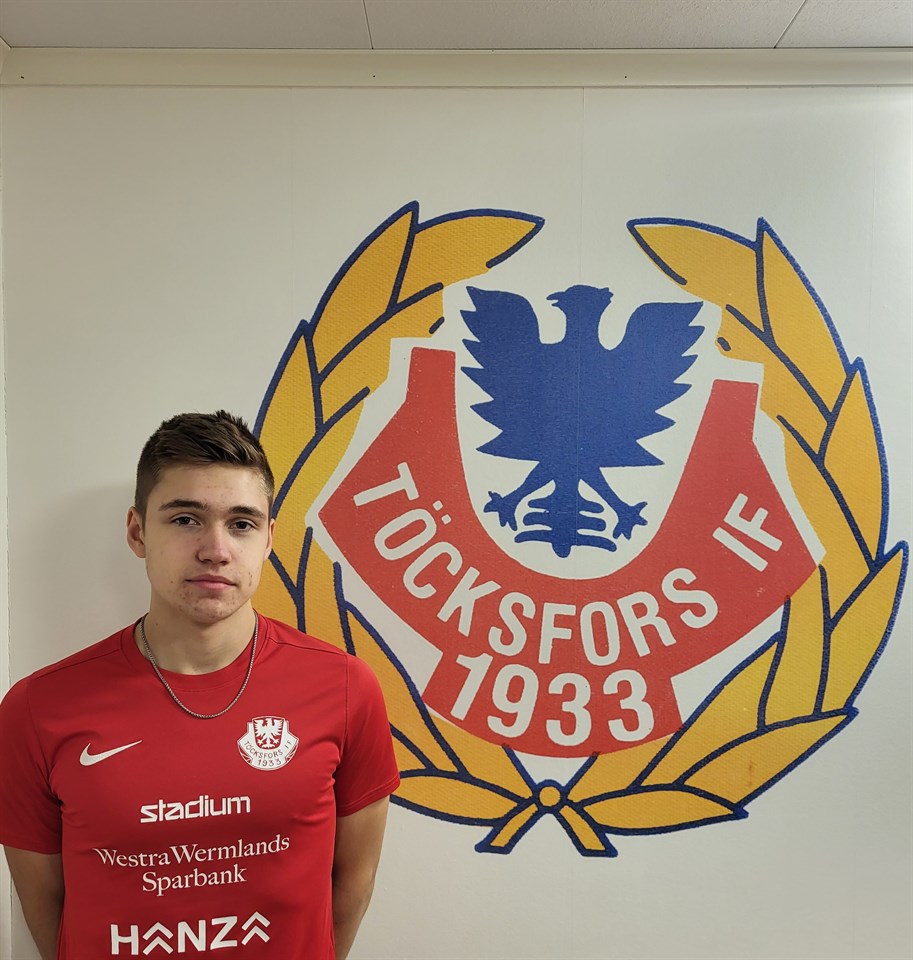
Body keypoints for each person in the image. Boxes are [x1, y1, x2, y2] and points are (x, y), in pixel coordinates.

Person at [0, 411, 400, 959]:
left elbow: (354, 882)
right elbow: (45, 907)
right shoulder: (36, 709)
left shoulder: (347, 688)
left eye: (242, 524)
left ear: (268, 539)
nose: (215, 549)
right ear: (137, 532)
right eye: (186, 519)